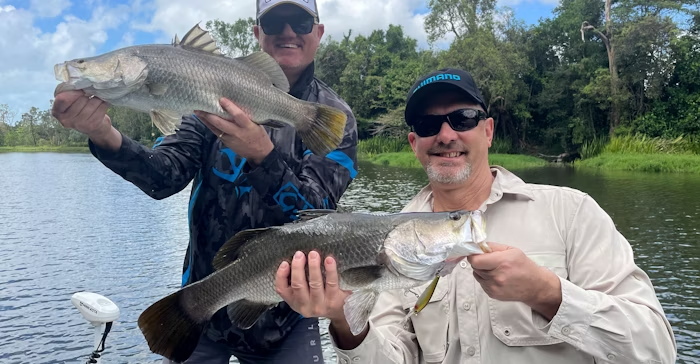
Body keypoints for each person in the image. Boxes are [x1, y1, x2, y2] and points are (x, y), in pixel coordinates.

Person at [274, 68, 678, 364]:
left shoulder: (571, 211)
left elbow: (657, 349)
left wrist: (549, 293)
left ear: (488, 131)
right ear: (414, 143)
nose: (446, 135)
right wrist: (346, 325)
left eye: (463, 119)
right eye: (430, 124)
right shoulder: (389, 240)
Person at [50, 0, 358, 363]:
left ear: (318, 33)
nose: (288, 32)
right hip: (200, 305)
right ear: (257, 33)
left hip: (286, 316)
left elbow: (318, 219)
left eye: (301, 22)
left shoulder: (331, 118)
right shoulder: (207, 91)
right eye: (275, 22)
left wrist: (264, 155)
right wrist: (103, 134)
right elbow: (162, 177)